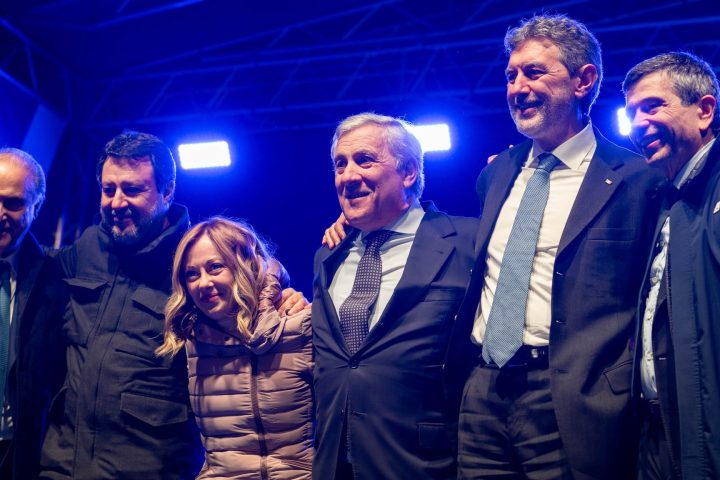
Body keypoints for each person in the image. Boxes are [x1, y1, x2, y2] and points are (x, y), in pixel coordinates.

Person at [442, 14, 666, 479]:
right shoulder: (496, 173)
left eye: (534, 72)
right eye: (511, 75)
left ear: (584, 80)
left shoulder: (638, 178)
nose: (517, 87)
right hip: (483, 392)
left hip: (575, 397)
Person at [40, 131, 307, 479]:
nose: (117, 202)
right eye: (108, 190)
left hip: (151, 470)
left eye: (133, 190)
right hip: (61, 467)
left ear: (167, 191)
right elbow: (30, 272)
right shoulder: (86, 249)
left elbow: (254, 280)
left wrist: (281, 292)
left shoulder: (193, 263)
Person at [313, 112, 478, 479]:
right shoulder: (327, 255)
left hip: (426, 463)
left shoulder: (469, 241)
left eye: (364, 160)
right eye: (340, 164)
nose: (348, 176)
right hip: (336, 463)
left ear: (408, 172)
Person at [623, 52, 720, 480]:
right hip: (660, 429)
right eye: (630, 113)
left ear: (704, 110)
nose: (637, 123)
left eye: (652, 106)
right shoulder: (666, 200)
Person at [156, 216, 313, 479]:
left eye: (215, 267)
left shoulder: (298, 324)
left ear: (243, 265)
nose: (203, 283)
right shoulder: (189, 340)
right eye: (192, 274)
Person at [0, 149, 66, 479]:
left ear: (36, 208)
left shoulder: (55, 280)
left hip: (20, 455)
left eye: (12, 203)